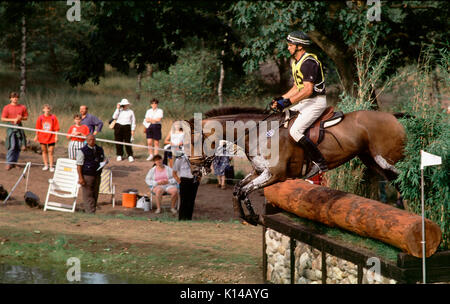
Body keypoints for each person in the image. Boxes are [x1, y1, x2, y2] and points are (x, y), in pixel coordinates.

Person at [271, 31, 328, 174]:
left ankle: (320, 162)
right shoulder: (296, 61)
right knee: (284, 118)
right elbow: (297, 87)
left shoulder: (309, 62)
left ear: (300, 47)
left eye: (290, 45)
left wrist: (287, 102)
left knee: (295, 131)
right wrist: (281, 99)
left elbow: (308, 90)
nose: (288, 48)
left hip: (316, 102)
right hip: (307, 101)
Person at [76, 134, 105, 214]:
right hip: (87, 175)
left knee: (95, 194)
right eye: (90, 140)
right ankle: (90, 212)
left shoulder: (99, 149)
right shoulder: (82, 151)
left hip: (97, 174)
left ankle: (92, 211)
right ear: (87, 141)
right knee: (88, 195)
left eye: (93, 140)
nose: (92, 141)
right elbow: (79, 165)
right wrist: (80, 178)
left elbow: (102, 159)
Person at [1, 92, 28, 170]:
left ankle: (14, 162)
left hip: (19, 126)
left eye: (16, 97)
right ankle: (8, 162)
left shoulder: (22, 107)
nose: (15, 99)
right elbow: (3, 118)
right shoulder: (7, 107)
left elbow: (26, 117)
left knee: (18, 146)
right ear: (10, 98)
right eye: (13, 97)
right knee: (12, 145)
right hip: (11, 126)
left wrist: (20, 118)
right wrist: (13, 119)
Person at [172, 153, 200, 221]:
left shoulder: (197, 158)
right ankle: (181, 219)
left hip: (194, 180)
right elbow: (174, 173)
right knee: (183, 200)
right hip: (184, 180)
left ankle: (189, 219)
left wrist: (198, 180)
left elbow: (200, 171)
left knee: (191, 201)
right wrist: (180, 182)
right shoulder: (180, 159)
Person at [34, 104, 60, 172]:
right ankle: (46, 165)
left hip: (51, 137)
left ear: (50, 110)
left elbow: (56, 128)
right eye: (45, 109)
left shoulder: (53, 117)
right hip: (42, 137)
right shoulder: (40, 118)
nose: (47, 110)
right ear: (43, 110)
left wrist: (56, 136)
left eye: (48, 109)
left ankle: (51, 166)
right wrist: (36, 136)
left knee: (51, 152)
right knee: (44, 151)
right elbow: (38, 127)